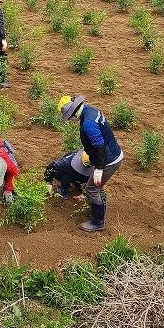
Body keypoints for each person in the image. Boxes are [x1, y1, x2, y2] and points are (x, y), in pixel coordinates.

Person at [58, 95, 124, 232]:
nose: (70, 119)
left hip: (108, 161)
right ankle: (96, 204)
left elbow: (99, 146)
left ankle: (98, 222)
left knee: (92, 188)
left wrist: (99, 168)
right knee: (94, 185)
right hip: (111, 154)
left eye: (69, 116)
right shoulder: (90, 110)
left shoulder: (88, 123)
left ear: (73, 112)